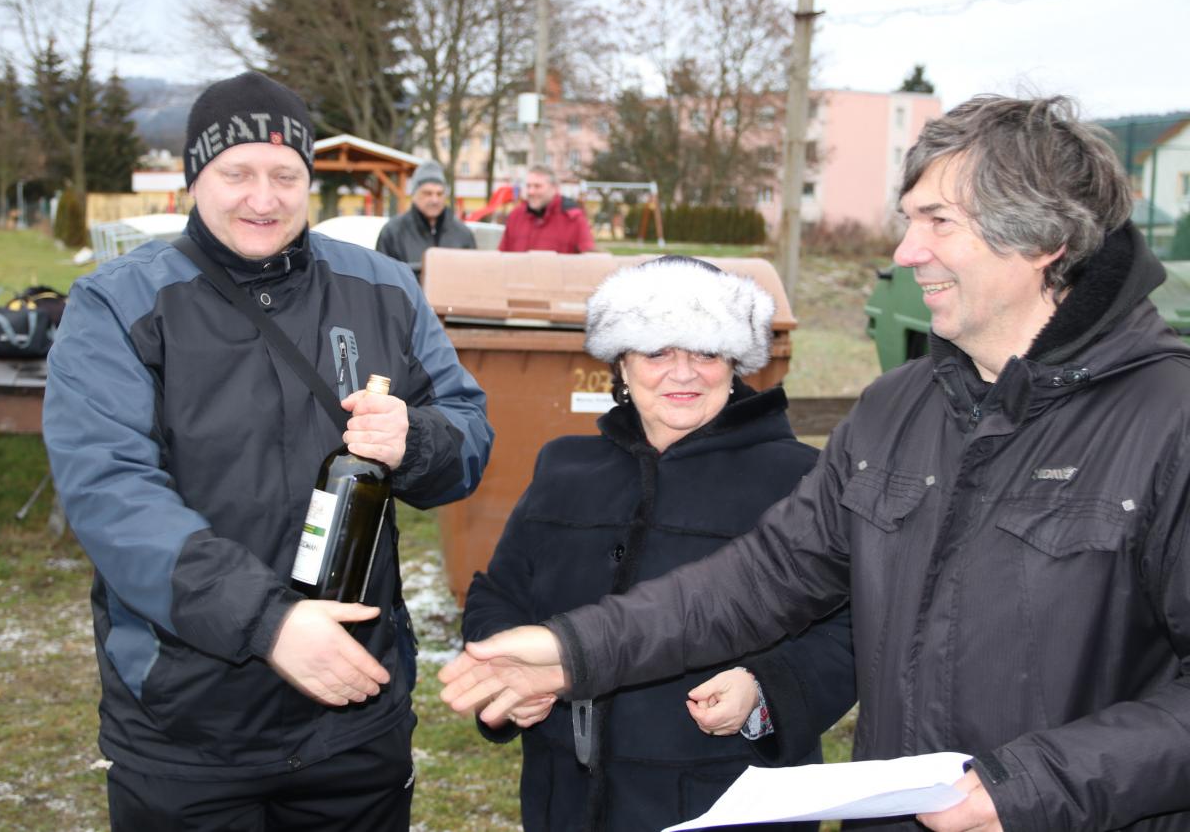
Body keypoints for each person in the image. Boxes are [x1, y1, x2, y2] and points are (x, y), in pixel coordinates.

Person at [441, 95, 1190, 832]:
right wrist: (571, 650)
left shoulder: (1170, 418)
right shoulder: (895, 408)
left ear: (1042, 236)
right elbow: (755, 582)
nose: (905, 252)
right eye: (908, 221)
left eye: (938, 221)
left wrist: (1033, 787)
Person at [43, 71, 494, 830]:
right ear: (194, 178)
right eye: (237, 174)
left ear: (309, 181)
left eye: (285, 175)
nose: (263, 198)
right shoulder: (117, 305)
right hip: (187, 724)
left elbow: (469, 432)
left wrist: (415, 440)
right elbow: (111, 493)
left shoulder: (384, 288)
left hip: (355, 713)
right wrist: (268, 623)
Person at [462, 257, 855, 832]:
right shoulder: (564, 467)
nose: (683, 373)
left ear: (735, 363)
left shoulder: (800, 479)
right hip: (564, 797)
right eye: (657, 352)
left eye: (706, 352)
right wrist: (506, 679)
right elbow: (499, 595)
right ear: (621, 362)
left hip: (728, 799)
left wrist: (763, 691)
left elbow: (852, 628)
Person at [375, 159, 475, 272]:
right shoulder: (393, 233)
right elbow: (383, 275)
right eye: (428, 193)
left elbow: (473, 274)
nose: (434, 200)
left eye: (439, 194)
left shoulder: (462, 234)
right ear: (414, 194)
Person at [498, 165, 595, 253]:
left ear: (554, 188)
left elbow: (587, 259)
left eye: (537, 186)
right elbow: (503, 257)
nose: (531, 191)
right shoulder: (516, 216)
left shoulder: (574, 219)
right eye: (528, 186)